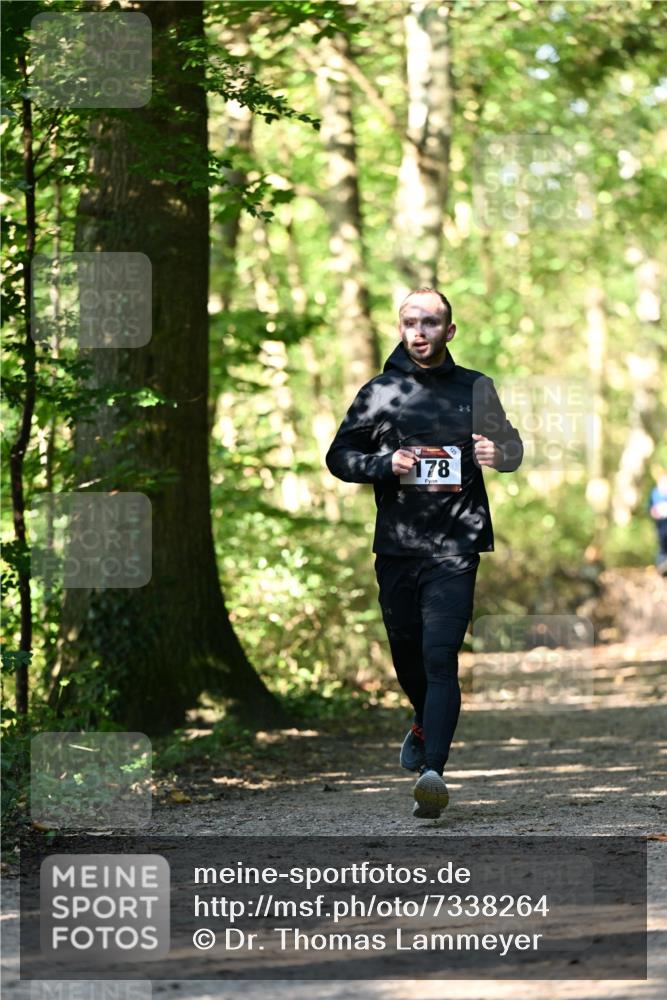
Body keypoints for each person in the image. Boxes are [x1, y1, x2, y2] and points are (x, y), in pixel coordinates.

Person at [326, 288, 523, 819]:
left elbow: (512, 448)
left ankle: (433, 771)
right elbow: (338, 456)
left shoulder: (476, 387)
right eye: (411, 322)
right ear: (400, 328)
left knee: (441, 656)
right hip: (398, 546)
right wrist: (383, 464)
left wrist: (497, 452)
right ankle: (421, 719)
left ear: (449, 331)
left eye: (431, 322)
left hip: (457, 545)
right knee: (408, 657)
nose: (420, 331)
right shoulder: (379, 392)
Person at [648, 473, 667, 575]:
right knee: (662, 547)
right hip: (661, 527)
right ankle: (661, 568)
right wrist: (655, 512)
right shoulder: (655, 494)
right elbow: (650, 509)